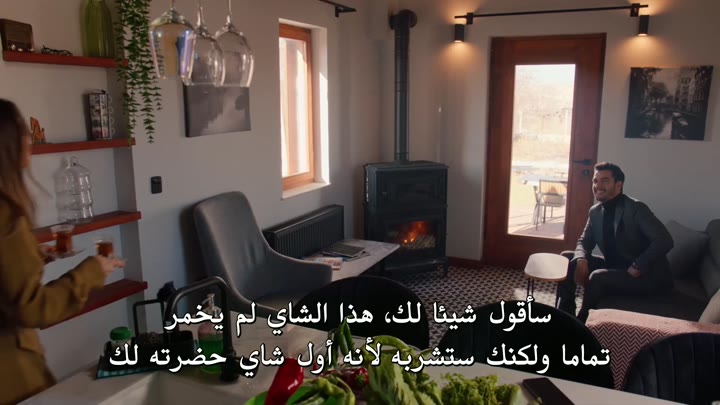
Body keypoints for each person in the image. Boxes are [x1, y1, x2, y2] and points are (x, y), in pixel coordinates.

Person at [0, 99, 125, 404]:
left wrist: (29, 256)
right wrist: (91, 272)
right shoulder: (7, 216)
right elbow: (32, 308)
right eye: (24, 132)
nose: (30, 140)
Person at [556, 162, 674, 323]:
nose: (598, 186)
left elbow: (664, 240)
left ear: (619, 185)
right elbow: (584, 241)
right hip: (616, 268)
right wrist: (582, 259)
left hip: (646, 276)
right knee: (568, 258)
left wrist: (639, 265)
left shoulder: (636, 208)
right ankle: (565, 314)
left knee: (598, 277)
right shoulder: (595, 211)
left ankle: (582, 323)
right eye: (595, 181)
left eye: (604, 181)